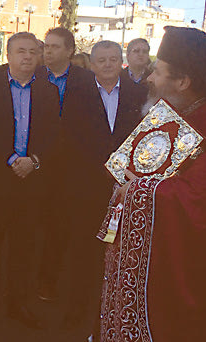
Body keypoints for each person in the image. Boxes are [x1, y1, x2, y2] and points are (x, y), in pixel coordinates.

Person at [100, 27, 206, 341]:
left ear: (183, 82)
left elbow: (202, 200)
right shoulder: (176, 111)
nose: (149, 79)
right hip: (155, 251)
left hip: (182, 267)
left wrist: (139, 190)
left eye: (157, 72)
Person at [0, 32, 61, 332]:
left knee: (25, 247)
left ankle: (18, 304)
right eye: (21, 51)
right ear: (8, 54)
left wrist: (34, 160)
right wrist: (10, 159)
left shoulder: (47, 91)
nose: (27, 57)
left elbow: (53, 134)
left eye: (33, 52)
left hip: (31, 181)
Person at [59, 40, 146, 338]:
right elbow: (69, 137)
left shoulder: (139, 93)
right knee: (82, 251)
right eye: (102, 60)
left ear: (121, 62)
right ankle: (77, 312)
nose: (108, 64)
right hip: (86, 187)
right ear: (92, 64)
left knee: (122, 252)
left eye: (113, 59)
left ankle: (119, 309)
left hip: (126, 187)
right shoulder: (76, 93)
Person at [35, 27, 98, 303]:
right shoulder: (35, 77)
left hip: (72, 167)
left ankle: (59, 283)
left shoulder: (87, 80)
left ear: (70, 51)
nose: (48, 51)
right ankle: (34, 279)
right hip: (37, 163)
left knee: (64, 226)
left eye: (55, 47)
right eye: (46, 46)